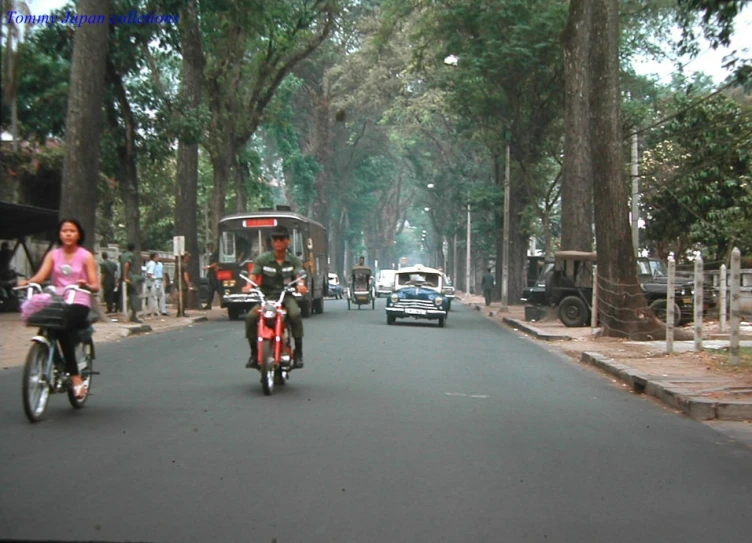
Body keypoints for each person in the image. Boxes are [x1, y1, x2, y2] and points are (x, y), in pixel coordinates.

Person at [18, 219, 101, 399]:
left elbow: (96, 286)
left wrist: (85, 284)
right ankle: (46, 354)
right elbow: (40, 277)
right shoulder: (53, 255)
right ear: (60, 234)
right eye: (65, 231)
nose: (68, 234)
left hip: (79, 301)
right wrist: (28, 282)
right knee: (46, 319)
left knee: (62, 328)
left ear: (79, 234)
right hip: (57, 300)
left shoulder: (86, 256)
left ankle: (76, 378)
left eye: (72, 231)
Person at [243, 225, 308, 369]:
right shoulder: (263, 259)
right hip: (267, 297)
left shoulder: (294, 260)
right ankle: (254, 354)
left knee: (295, 315)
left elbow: (299, 275)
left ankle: (298, 353)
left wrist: (301, 285)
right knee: (250, 318)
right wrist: (249, 286)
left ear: (288, 241)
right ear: (272, 242)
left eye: (281, 239)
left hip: (286, 296)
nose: (278, 242)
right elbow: (254, 275)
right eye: (275, 239)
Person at [120, 243, 142, 323]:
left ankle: (126, 313)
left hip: (123, 277)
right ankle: (134, 315)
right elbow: (127, 265)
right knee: (134, 295)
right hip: (130, 277)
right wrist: (126, 277)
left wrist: (122, 277)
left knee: (125, 296)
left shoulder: (123, 255)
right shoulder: (131, 255)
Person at [175, 252, 194, 317]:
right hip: (183, 284)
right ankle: (181, 312)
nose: (189, 259)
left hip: (178, 282)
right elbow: (185, 275)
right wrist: (188, 284)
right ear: (185, 257)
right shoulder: (184, 265)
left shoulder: (178, 264)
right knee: (183, 298)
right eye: (188, 257)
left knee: (180, 298)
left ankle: (180, 312)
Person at [203, 242, 220, 309]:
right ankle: (208, 304)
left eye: (209, 247)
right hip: (211, 274)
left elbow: (216, 263)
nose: (209, 249)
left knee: (218, 288)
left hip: (215, 275)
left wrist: (208, 267)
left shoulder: (216, 254)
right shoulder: (212, 255)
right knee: (210, 290)